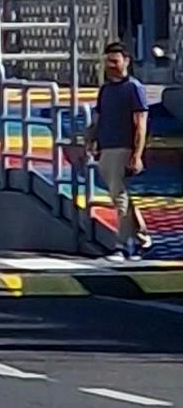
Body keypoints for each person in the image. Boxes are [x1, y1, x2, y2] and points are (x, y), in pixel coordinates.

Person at [88, 44, 148, 255]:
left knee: (119, 196)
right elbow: (98, 118)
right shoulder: (105, 90)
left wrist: (137, 154)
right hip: (106, 147)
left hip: (123, 147)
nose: (111, 66)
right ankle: (141, 234)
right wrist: (91, 140)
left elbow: (140, 122)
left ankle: (122, 246)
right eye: (108, 61)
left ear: (126, 61)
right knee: (119, 195)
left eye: (115, 61)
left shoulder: (134, 88)